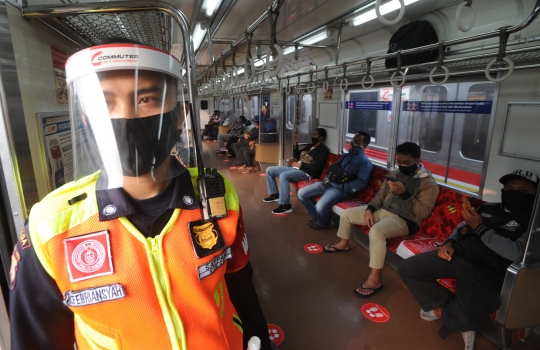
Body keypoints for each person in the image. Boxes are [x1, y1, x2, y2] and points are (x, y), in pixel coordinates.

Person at [9, 42, 272, 350]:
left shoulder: (216, 195)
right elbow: (36, 338)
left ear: (178, 116)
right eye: (104, 103)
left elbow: (240, 283)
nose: (126, 119)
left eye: (146, 99)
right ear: (86, 120)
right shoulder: (51, 226)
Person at [398, 169, 538, 350]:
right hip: (457, 254)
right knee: (407, 269)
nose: (515, 194)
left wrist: (479, 228)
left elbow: (517, 253)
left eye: (524, 191)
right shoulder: (487, 208)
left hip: (487, 269)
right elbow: (462, 226)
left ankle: (448, 313)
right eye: (509, 189)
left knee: (464, 319)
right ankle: (448, 307)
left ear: (535, 194)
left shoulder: (534, 224)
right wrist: (449, 242)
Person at [325, 142, 439, 297]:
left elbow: (421, 213)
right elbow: (380, 195)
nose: (402, 165)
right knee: (348, 214)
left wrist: (404, 193)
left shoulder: (428, 184)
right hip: (382, 211)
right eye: (400, 162)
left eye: (407, 163)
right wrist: (370, 209)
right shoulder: (394, 174)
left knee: (377, 232)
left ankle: (374, 279)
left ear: (418, 161)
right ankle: (343, 243)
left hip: (405, 220)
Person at [298, 131, 373, 230]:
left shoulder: (364, 162)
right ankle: (318, 218)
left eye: (357, 140)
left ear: (364, 145)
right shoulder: (345, 156)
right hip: (327, 184)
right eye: (354, 139)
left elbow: (361, 183)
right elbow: (333, 169)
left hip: (341, 190)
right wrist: (325, 179)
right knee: (302, 193)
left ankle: (322, 224)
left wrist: (343, 187)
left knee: (320, 206)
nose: (353, 141)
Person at [264, 128, 329, 215]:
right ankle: (275, 194)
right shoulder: (310, 146)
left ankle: (285, 205)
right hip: (297, 168)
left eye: (314, 135)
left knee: (284, 176)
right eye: (312, 134)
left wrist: (301, 165)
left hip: (306, 173)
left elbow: (316, 167)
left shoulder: (322, 150)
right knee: (269, 170)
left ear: (320, 137)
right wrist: (295, 144)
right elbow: (298, 155)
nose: (312, 137)